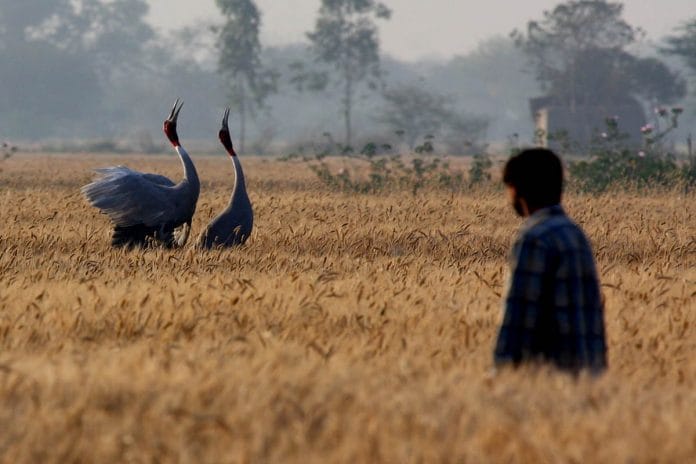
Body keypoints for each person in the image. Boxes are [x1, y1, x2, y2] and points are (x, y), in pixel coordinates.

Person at [494, 148, 607, 374]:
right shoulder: (575, 234)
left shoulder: (534, 238)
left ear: (517, 189)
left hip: (547, 380)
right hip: (588, 378)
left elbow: (519, 317)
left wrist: (502, 373)